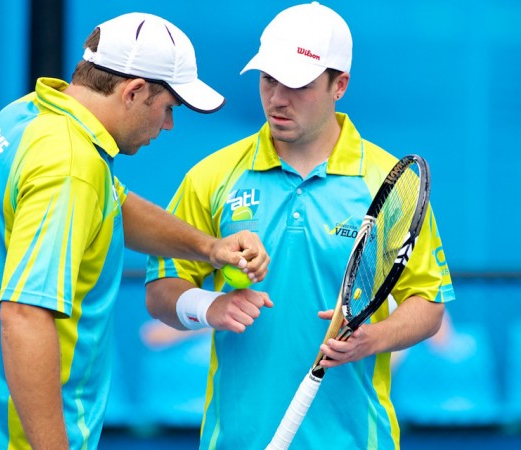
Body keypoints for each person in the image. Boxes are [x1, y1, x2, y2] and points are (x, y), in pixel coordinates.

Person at [0, 12, 269, 450]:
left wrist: (208, 247)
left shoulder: (26, 115)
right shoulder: (71, 168)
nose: (168, 126)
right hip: (7, 437)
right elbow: (25, 316)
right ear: (134, 92)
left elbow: (112, 205)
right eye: (168, 109)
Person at [145, 2, 455, 449]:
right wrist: (210, 306)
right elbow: (160, 292)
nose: (277, 98)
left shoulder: (387, 183)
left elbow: (427, 302)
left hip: (355, 438)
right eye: (268, 79)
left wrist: (372, 338)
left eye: (298, 84)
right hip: (236, 439)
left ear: (339, 85)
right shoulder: (211, 176)